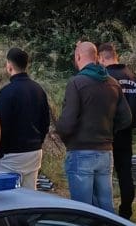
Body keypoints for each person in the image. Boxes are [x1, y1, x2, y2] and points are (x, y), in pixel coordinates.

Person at [55, 41, 131, 211]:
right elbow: (126, 118)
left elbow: (67, 122)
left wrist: (61, 133)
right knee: (105, 206)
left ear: (78, 56)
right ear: (96, 58)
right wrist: (109, 130)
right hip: (105, 151)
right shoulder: (112, 83)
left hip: (81, 151)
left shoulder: (76, 83)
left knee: (84, 210)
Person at [100, 43, 136, 220]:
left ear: (101, 58)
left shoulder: (104, 77)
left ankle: (104, 213)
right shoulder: (133, 77)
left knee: (103, 173)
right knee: (125, 173)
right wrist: (132, 120)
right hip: (127, 133)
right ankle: (126, 211)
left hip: (107, 133)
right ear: (116, 55)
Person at [0, 47, 50, 190]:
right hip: (34, 150)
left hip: (11, 153)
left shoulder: (7, 92)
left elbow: (3, 125)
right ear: (27, 65)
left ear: (9, 65)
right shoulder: (38, 89)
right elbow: (45, 121)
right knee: (29, 195)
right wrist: (39, 141)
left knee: (6, 197)